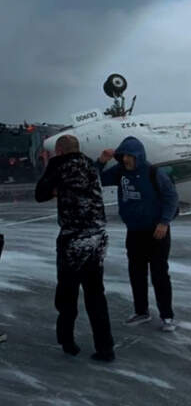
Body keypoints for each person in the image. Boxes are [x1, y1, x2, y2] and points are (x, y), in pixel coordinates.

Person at [34, 135, 115, 361]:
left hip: (73, 239)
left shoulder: (59, 165)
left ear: (59, 150)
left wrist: (53, 183)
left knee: (67, 294)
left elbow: (39, 195)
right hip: (97, 237)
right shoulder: (89, 165)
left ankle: (67, 341)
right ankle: (105, 347)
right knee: (96, 295)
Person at [95, 137, 179, 332]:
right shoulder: (120, 172)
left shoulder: (153, 173)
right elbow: (97, 178)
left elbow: (171, 197)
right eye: (123, 156)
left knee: (159, 274)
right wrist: (101, 161)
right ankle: (141, 311)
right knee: (136, 273)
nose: (125, 160)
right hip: (134, 231)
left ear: (138, 156)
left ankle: (167, 315)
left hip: (157, 231)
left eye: (129, 156)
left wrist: (164, 222)